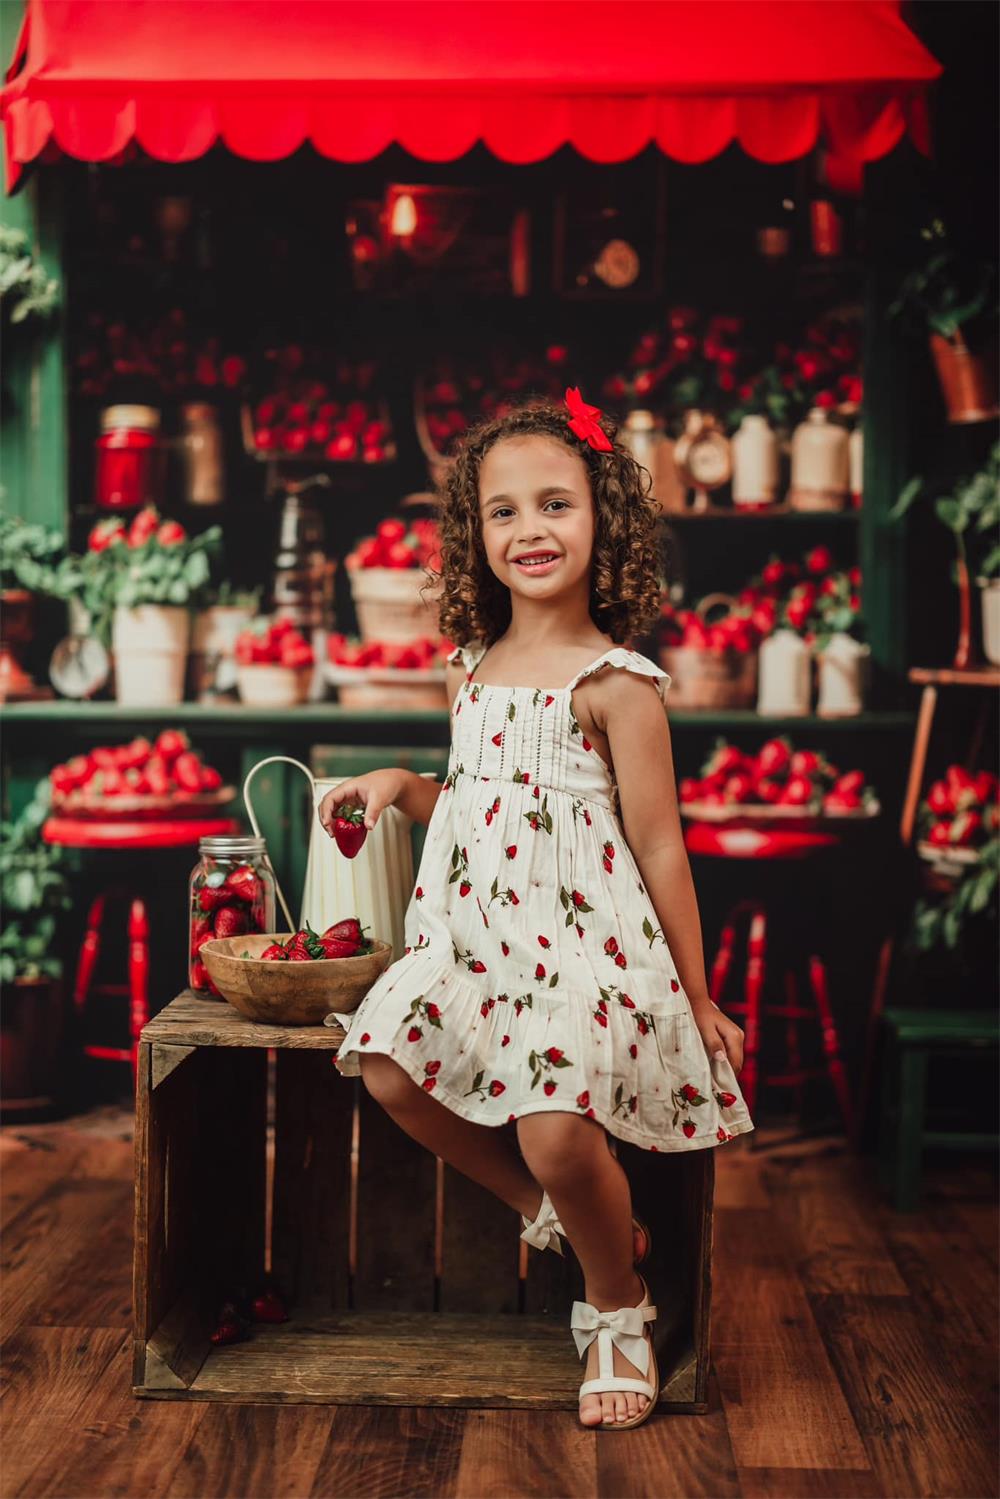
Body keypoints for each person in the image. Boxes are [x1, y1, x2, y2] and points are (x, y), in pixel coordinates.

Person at [318, 389, 753, 1431]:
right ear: (476, 533)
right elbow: (473, 803)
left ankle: (617, 1305)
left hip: (584, 959)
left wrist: (698, 995)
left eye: (553, 503)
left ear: (602, 517)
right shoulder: (473, 668)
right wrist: (394, 783)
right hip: (478, 947)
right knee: (384, 1063)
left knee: (555, 1128)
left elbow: (658, 842)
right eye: (502, 511)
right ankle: (550, 1213)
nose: (529, 530)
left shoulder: (617, 683)